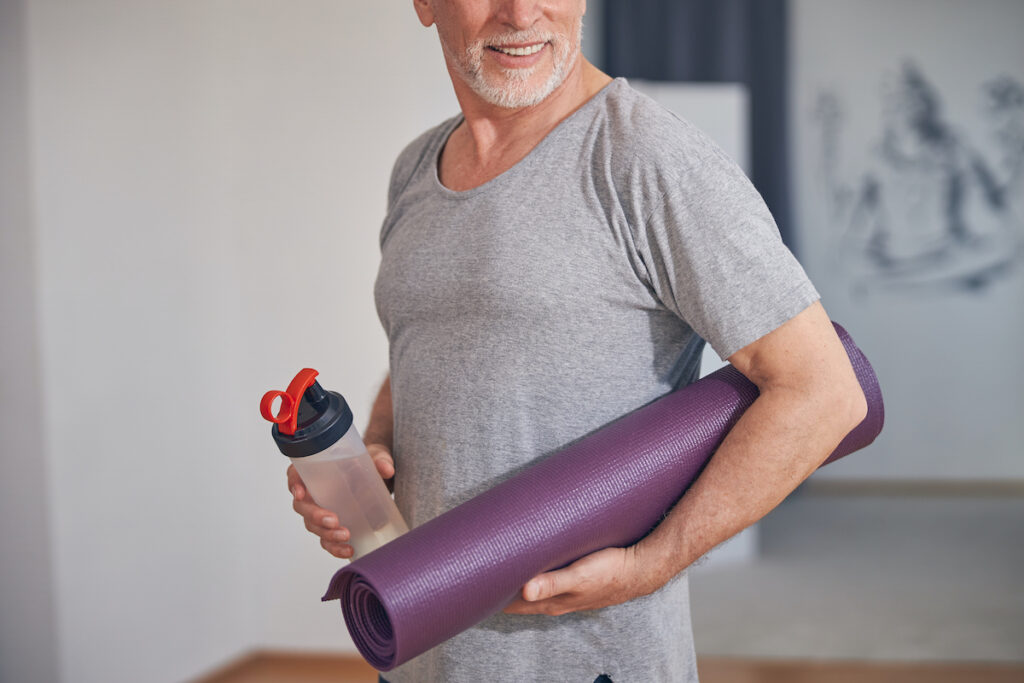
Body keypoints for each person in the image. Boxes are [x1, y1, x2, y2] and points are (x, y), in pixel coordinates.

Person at [288, 1, 867, 681]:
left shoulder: (646, 155)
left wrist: (655, 563)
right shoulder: (415, 169)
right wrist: (369, 462)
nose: (522, 11)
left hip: (590, 661)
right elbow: (425, 353)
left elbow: (824, 391)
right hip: (422, 650)